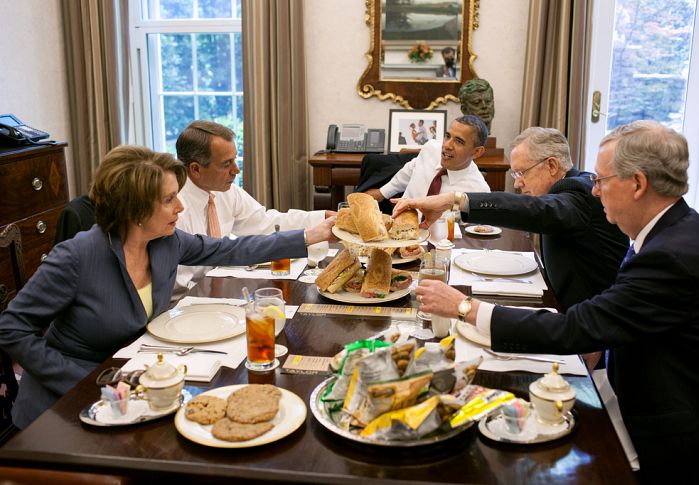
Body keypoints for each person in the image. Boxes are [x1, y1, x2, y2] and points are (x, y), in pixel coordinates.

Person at [412, 121, 699, 482]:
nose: (596, 191)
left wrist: (464, 307)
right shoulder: (675, 231)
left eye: (603, 181)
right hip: (629, 381)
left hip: (676, 441)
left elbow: (579, 327)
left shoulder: (670, 254)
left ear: (638, 184)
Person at [0, 145, 335, 429]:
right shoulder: (76, 257)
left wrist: (311, 235)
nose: (181, 207)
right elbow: (11, 329)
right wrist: (85, 381)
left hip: (136, 391)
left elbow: (231, 249)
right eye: (169, 199)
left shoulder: (164, 242)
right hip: (63, 408)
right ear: (135, 207)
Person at [394, 127, 629, 311]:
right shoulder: (572, 189)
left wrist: (454, 200)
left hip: (588, 334)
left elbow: (535, 210)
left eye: (521, 173)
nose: (517, 183)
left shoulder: (580, 195)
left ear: (551, 165)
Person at [174, 120, 335, 294]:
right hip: (188, 304)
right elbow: (178, 287)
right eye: (226, 164)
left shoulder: (226, 191)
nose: (236, 170)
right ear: (196, 169)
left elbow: (265, 223)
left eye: (235, 159)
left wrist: (322, 218)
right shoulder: (174, 210)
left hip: (221, 291)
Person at [365, 115, 491, 202]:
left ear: (476, 152)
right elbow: (410, 169)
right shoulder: (432, 148)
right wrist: (382, 193)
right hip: (401, 226)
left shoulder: (479, 192)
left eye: (459, 141)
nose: (447, 145)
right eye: (447, 136)